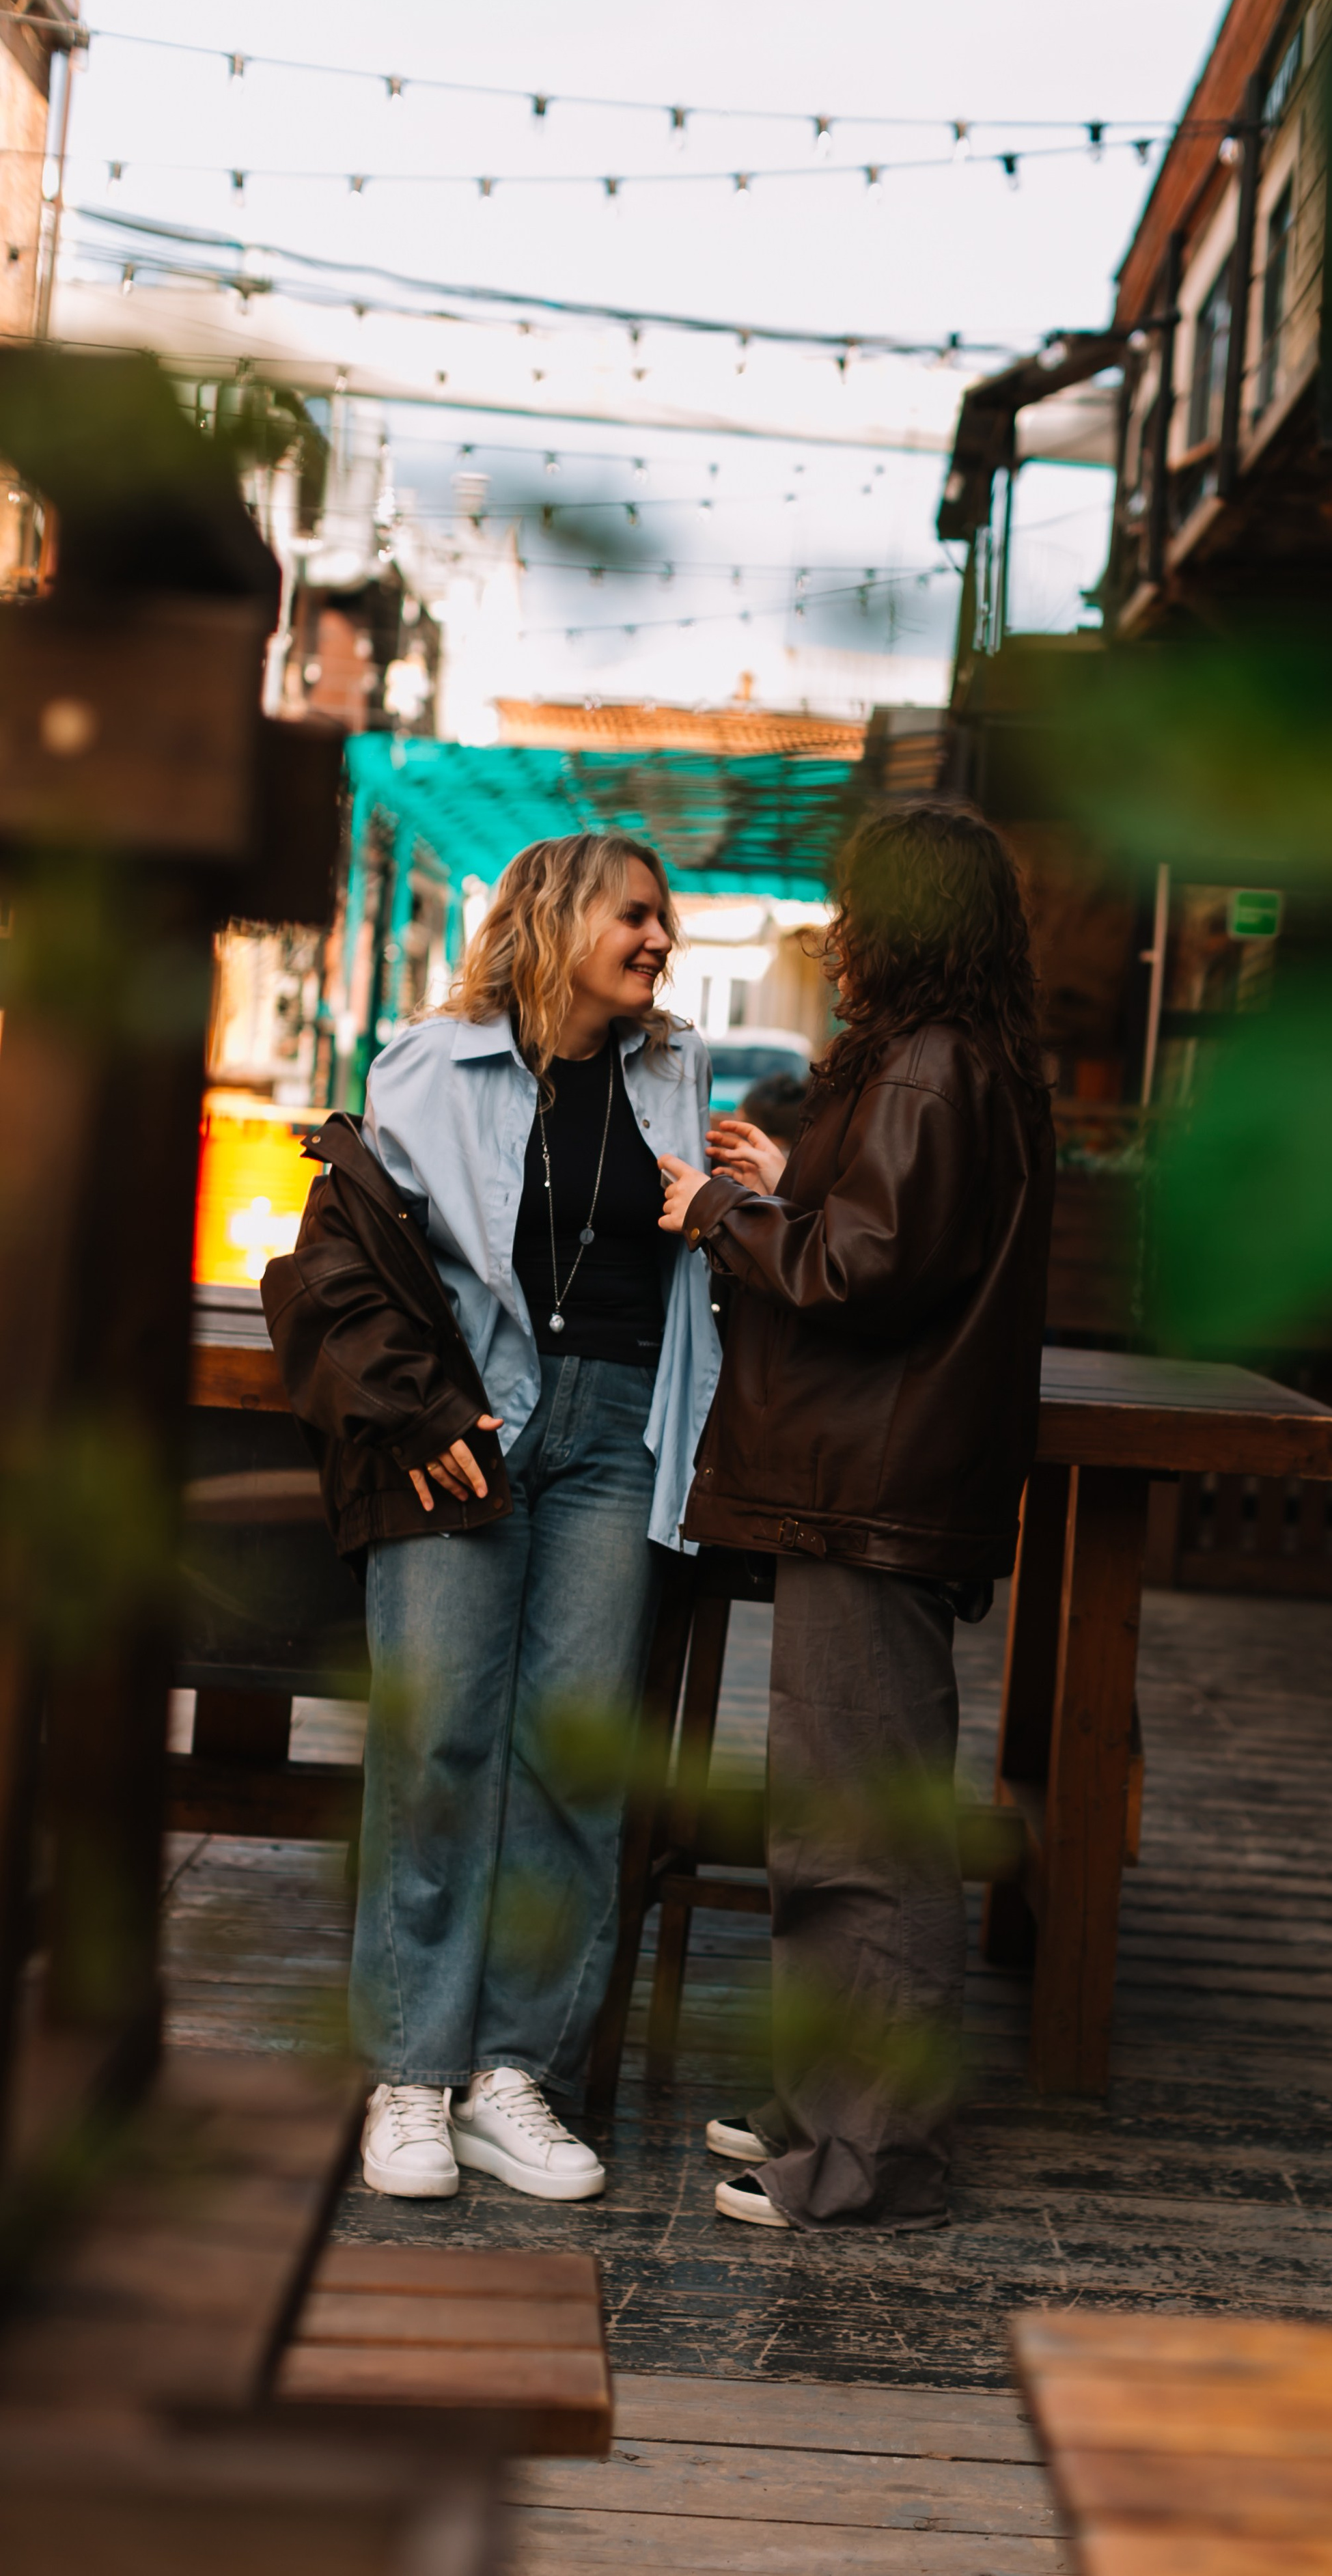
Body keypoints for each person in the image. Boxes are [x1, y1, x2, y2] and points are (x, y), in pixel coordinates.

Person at [264, 831, 719, 2204]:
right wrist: (418, 1417)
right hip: (470, 1431)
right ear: (561, 916)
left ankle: (518, 2077)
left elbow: (687, 1249)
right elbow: (345, 1262)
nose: (657, 942)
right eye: (634, 918)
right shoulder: (428, 1063)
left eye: (663, 922)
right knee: (439, 1748)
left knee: (572, 1760)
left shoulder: (674, 1070)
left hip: (618, 1437)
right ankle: (412, 2075)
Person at [655, 798, 1055, 2231]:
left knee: (857, 1838)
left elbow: (865, 1271)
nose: (834, 925)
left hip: (865, 1490)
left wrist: (715, 1210)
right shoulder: (952, 1062)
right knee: (840, 1820)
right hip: (872, 1491)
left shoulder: (924, 1068)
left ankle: (864, 2156)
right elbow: (880, 1232)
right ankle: (823, 2113)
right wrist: (782, 1183)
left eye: (851, 903)